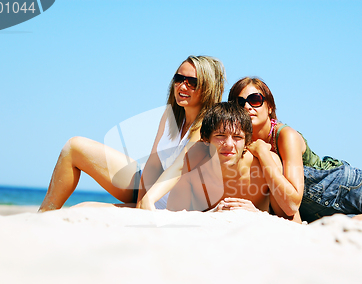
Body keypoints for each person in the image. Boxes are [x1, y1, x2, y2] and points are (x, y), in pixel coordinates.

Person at [38, 56, 225, 212]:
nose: (182, 86)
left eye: (192, 82)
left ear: (208, 87)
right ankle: (43, 214)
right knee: (74, 146)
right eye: (178, 79)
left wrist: (146, 205)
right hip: (146, 192)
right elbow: (152, 165)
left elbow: (178, 169)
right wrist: (138, 205)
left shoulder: (206, 128)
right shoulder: (171, 117)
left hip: (170, 205)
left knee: (82, 208)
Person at [227, 77, 362, 222]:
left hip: (350, 187)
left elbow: (291, 202)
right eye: (239, 102)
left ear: (269, 106)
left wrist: (262, 152)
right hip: (319, 213)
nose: (247, 106)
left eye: (255, 99)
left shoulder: (286, 136)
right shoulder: (240, 144)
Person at [167, 102, 294, 221]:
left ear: (247, 142)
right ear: (206, 139)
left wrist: (257, 213)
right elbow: (172, 215)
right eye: (220, 136)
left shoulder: (265, 164)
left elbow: (289, 220)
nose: (229, 144)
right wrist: (211, 213)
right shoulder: (194, 168)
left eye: (237, 137)